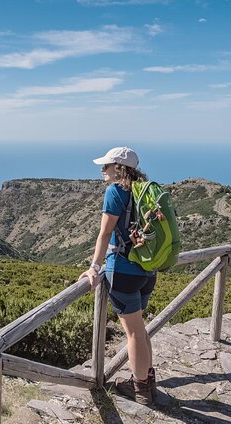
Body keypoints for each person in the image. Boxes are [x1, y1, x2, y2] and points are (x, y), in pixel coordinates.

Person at [79, 146, 157, 405]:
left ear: (119, 168)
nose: (103, 170)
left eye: (107, 165)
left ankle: (141, 389)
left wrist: (94, 267)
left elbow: (104, 233)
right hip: (147, 270)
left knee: (133, 333)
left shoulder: (116, 191)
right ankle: (147, 378)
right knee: (139, 327)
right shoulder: (145, 190)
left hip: (123, 270)